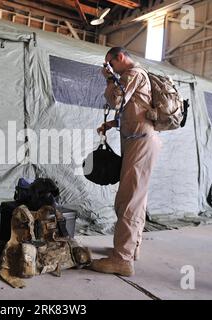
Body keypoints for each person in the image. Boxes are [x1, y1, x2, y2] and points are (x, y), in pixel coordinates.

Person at [90, 47, 162, 277]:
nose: (109, 67)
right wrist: (112, 124)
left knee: (128, 198)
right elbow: (133, 109)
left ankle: (122, 259)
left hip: (140, 141)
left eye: (109, 63)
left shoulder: (131, 74)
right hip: (141, 139)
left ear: (119, 58)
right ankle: (131, 248)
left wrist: (109, 78)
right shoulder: (138, 76)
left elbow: (116, 99)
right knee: (137, 197)